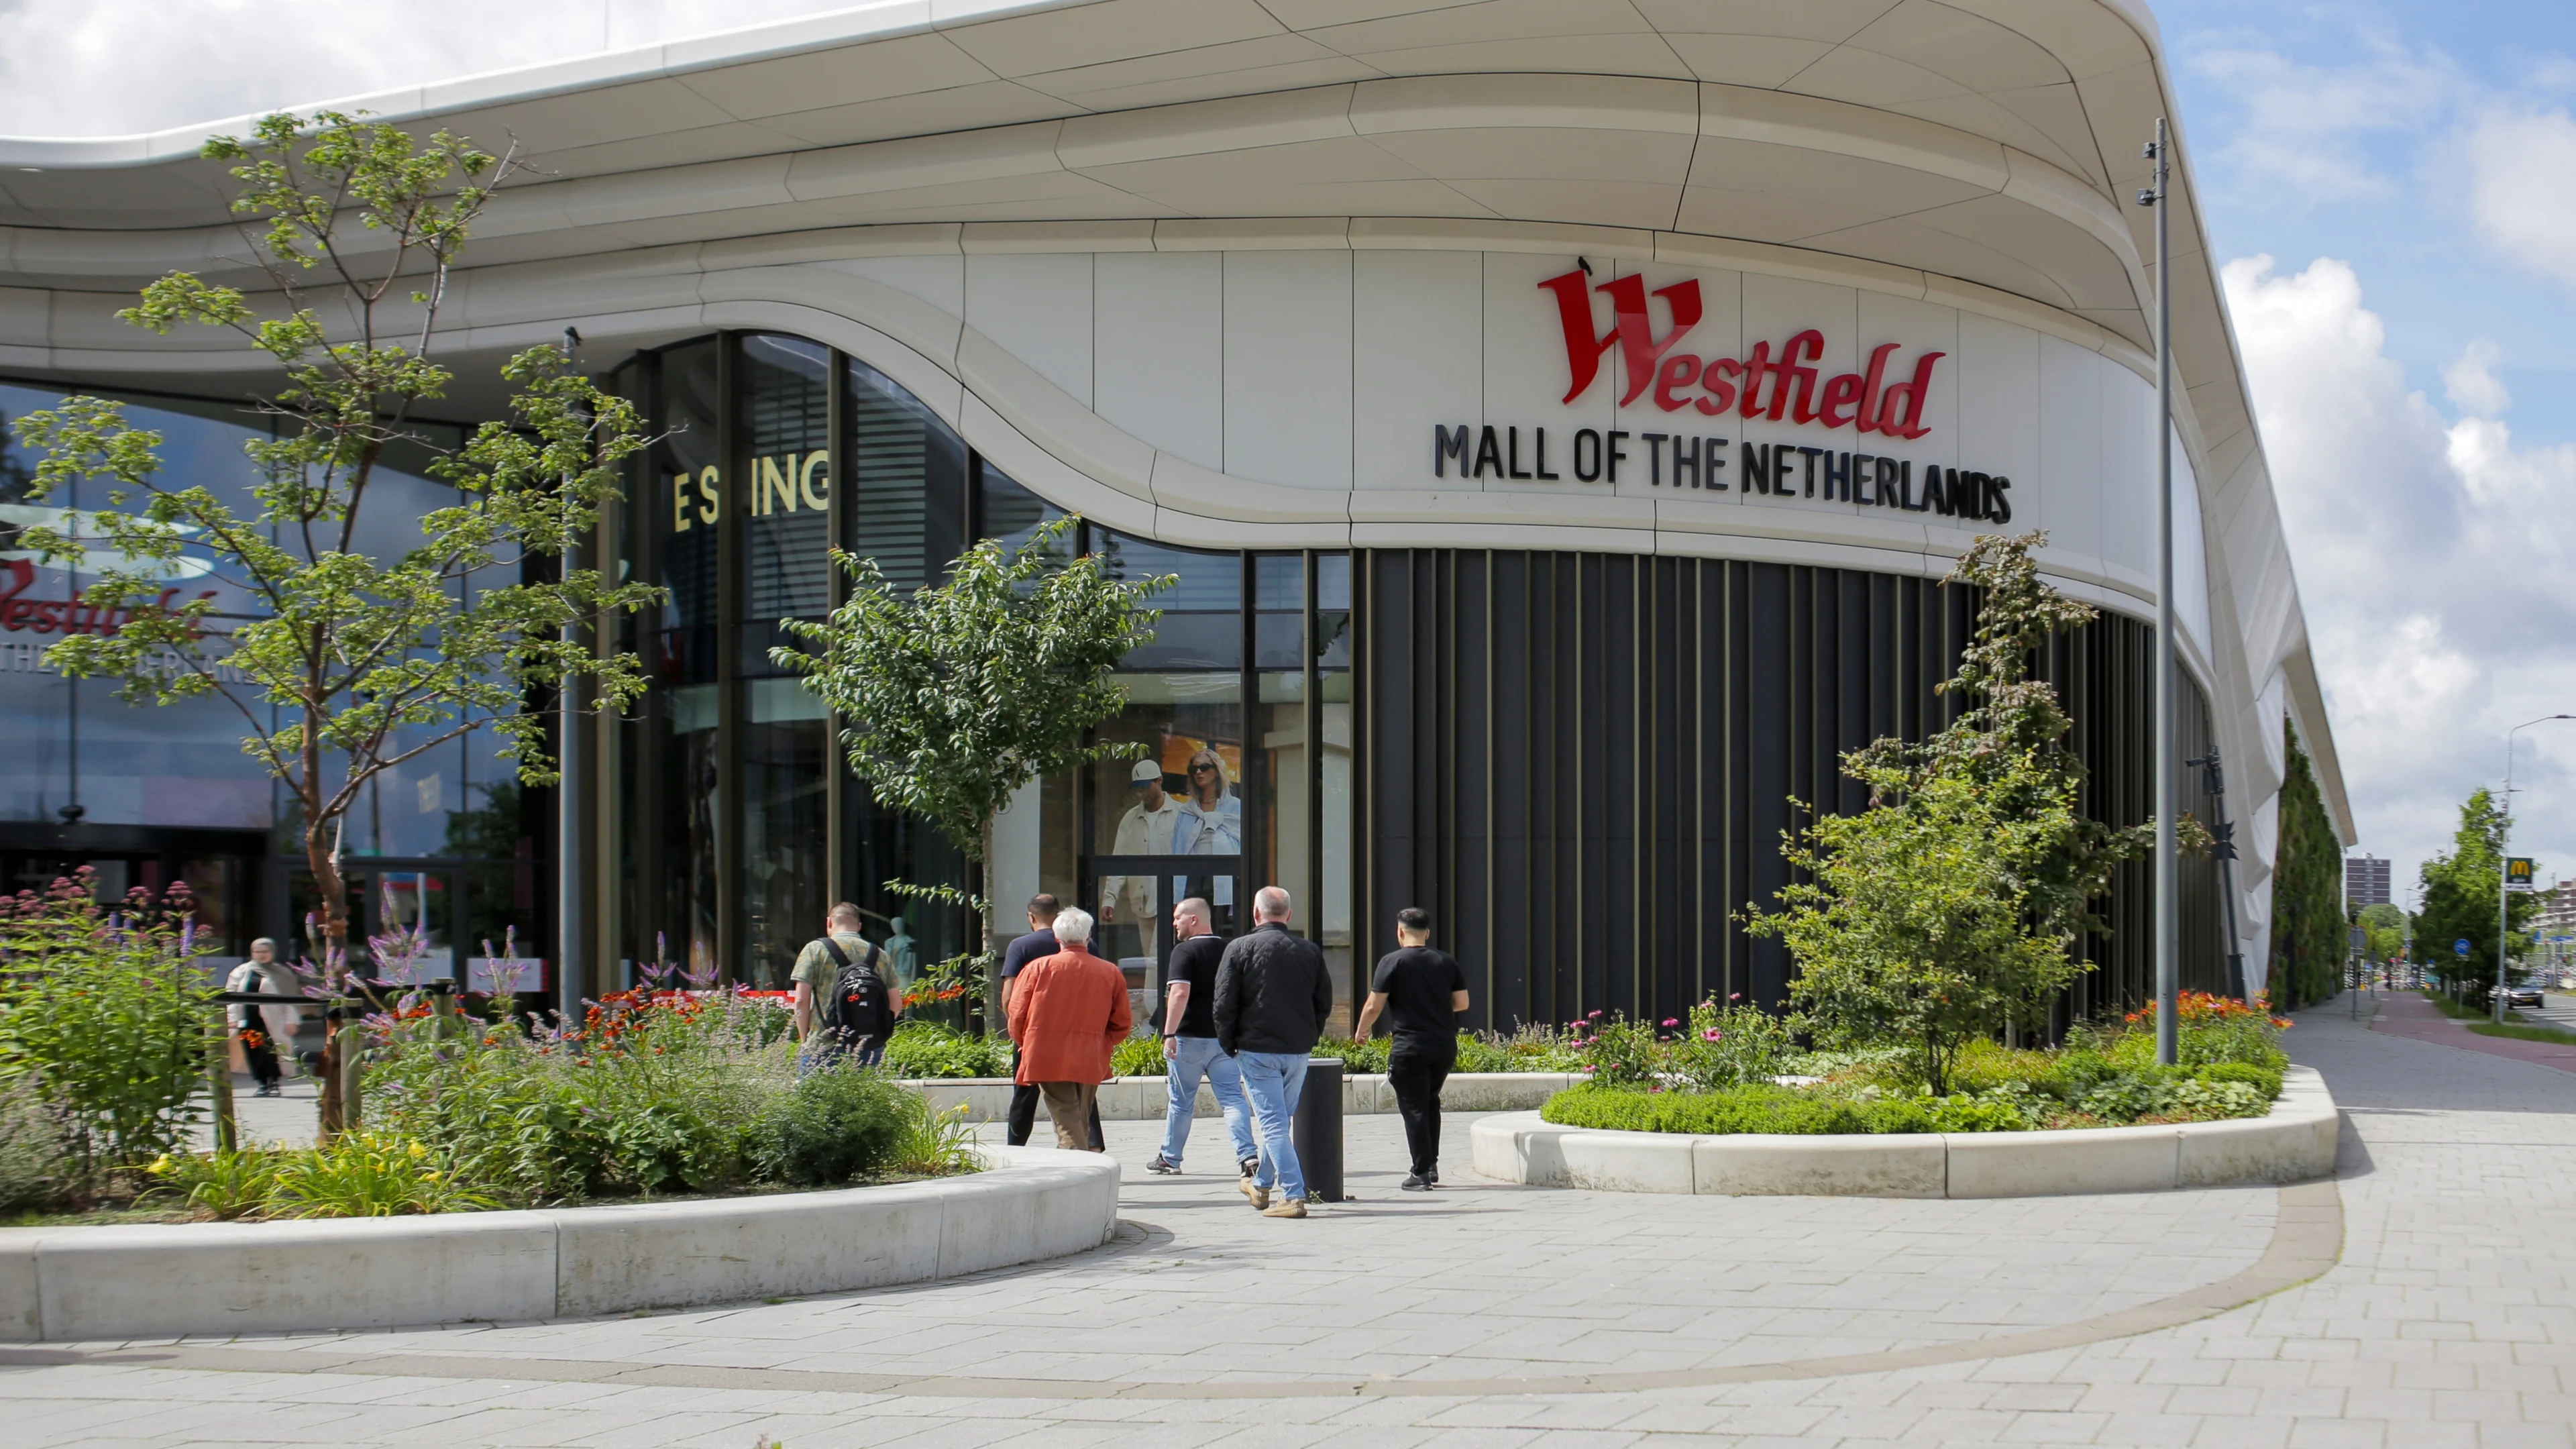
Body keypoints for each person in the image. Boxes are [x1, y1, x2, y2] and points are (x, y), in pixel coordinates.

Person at [1213, 885, 1332, 1220]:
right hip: (1296, 1051)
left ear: (1255, 914)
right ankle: (1262, 1183)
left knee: (1273, 1126)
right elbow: (1323, 1002)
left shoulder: (1239, 948)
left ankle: (1293, 1195)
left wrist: (1228, 1045)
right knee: (1279, 1122)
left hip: (1257, 1049)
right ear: (1289, 915)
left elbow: (1224, 1002)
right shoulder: (1309, 951)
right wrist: (1310, 1036)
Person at [1352, 907, 1472, 1191]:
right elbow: (1462, 1003)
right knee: (1431, 1101)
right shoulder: (1446, 962)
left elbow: (1373, 1005)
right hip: (1444, 1045)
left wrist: (1362, 1030)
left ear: (1400, 932)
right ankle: (1431, 1165)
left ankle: (1420, 1173)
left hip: (1410, 1046)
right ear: (1427, 933)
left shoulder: (1392, 962)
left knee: (1414, 1107)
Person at [1144, 896, 1257, 1178]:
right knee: (1233, 1098)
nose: (1174, 923)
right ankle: (1248, 1156)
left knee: (1181, 1102)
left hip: (1189, 1039)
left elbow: (1180, 993)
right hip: (1224, 1041)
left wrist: (1169, 1032)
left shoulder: (1184, 952)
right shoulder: (1232, 949)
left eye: (1177, 918)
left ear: (1193, 919)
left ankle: (1170, 1158)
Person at [1005, 906, 1131, 1150]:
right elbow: (1122, 1022)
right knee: (1079, 1118)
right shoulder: (1109, 972)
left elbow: (1017, 1014)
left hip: (1047, 1053)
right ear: (1088, 936)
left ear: (1057, 937)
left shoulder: (1037, 969)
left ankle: (1078, 1171)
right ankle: (1083, 1168)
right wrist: (1103, 1043)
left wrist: (1026, 1043)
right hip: (1090, 1053)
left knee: (1070, 1121)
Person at [791, 902, 900, 1070]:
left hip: (823, 1044)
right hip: (869, 1046)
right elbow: (896, 1004)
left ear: (829, 923)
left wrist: (806, 1039)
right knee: (865, 1096)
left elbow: (800, 1000)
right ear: (859, 926)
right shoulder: (880, 954)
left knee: (813, 1096)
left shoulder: (815, 950)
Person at [1101, 757, 1182, 939]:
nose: (1141, 792)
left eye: (1145, 786)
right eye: (1138, 788)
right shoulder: (1130, 820)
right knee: (1150, 960)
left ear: (1159, 781)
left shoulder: (1181, 815)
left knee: (1157, 961)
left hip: (1174, 902)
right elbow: (1119, 861)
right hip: (1141, 902)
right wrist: (1110, 899)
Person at [224, 938, 303, 1097]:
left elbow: (291, 1000)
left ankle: (274, 1083)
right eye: (257, 952)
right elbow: (230, 997)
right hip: (249, 1019)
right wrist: (232, 1018)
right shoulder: (241, 972)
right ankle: (261, 1083)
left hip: (274, 1021)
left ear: (272, 952)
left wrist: (292, 1021)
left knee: (272, 1051)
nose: (261, 955)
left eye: (265, 952)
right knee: (254, 1051)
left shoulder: (282, 973)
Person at [1172, 748, 1243, 908]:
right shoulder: (1187, 810)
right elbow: (1178, 849)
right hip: (1193, 876)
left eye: (1204, 767)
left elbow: (1242, 843)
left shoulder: (1234, 806)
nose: (1198, 772)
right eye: (1193, 769)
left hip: (1225, 875)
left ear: (1216, 771)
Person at [881, 915, 919, 1001]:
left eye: (898, 924)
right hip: (892, 974)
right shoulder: (889, 942)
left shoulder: (910, 942)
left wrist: (913, 980)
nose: (896, 927)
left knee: (905, 998)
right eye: (894, 925)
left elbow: (914, 962)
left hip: (905, 974)